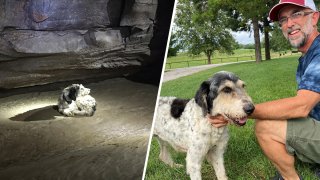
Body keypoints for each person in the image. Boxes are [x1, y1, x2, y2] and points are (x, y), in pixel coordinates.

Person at [209, 0, 320, 179]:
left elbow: (302, 106)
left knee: (266, 126)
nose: (289, 24)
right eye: (283, 19)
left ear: (314, 17)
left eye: (296, 14)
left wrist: (242, 111)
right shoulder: (309, 54)